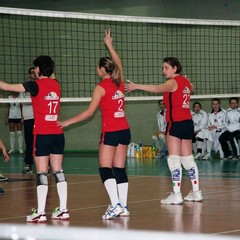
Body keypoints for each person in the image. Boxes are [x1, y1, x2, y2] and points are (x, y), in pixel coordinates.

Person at [59, 29, 131, 220]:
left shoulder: (100, 88)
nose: (95, 69)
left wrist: (66, 122)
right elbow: (119, 63)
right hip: (125, 130)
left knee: (105, 168)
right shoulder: (119, 82)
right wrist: (109, 43)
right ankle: (123, 206)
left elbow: (89, 113)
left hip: (111, 132)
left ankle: (115, 204)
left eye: (97, 67)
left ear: (101, 69)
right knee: (120, 168)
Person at [0, 55, 69, 222]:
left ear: (38, 69)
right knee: (58, 172)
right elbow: (50, 76)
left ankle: (39, 212)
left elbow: (6, 86)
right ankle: (63, 210)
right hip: (58, 134)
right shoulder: (56, 85)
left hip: (43, 135)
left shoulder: (34, 85)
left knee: (41, 173)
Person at [125, 57, 203, 204]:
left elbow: (157, 89)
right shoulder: (186, 83)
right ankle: (196, 192)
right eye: (163, 68)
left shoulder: (172, 82)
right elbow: (191, 88)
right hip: (188, 123)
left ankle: (177, 194)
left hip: (175, 123)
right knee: (188, 159)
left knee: (174, 160)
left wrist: (136, 86)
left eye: (166, 68)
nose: (163, 71)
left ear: (175, 68)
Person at [20, 67, 37, 173]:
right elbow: (24, 103)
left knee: (40, 142)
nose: (33, 74)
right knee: (29, 141)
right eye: (31, 73)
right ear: (29, 75)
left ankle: (48, 164)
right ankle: (28, 164)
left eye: (35, 72)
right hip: (28, 118)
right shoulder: (25, 88)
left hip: (38, 118)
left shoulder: (40, 86)